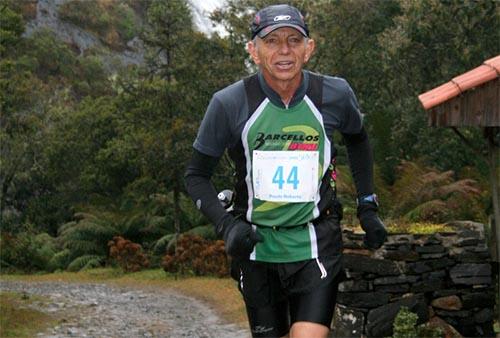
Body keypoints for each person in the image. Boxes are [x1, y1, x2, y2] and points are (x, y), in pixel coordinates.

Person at [184, 4, 387, 338]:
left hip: (316, 243)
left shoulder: (333, 95)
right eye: (272, 40)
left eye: (294, 40)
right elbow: (196, 175)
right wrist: (227, 226)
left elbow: (359, 140)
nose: (284, 50)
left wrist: (367, 205)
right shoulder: (229, 103)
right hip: (257, 247)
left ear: (309, 49)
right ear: (253, 49)